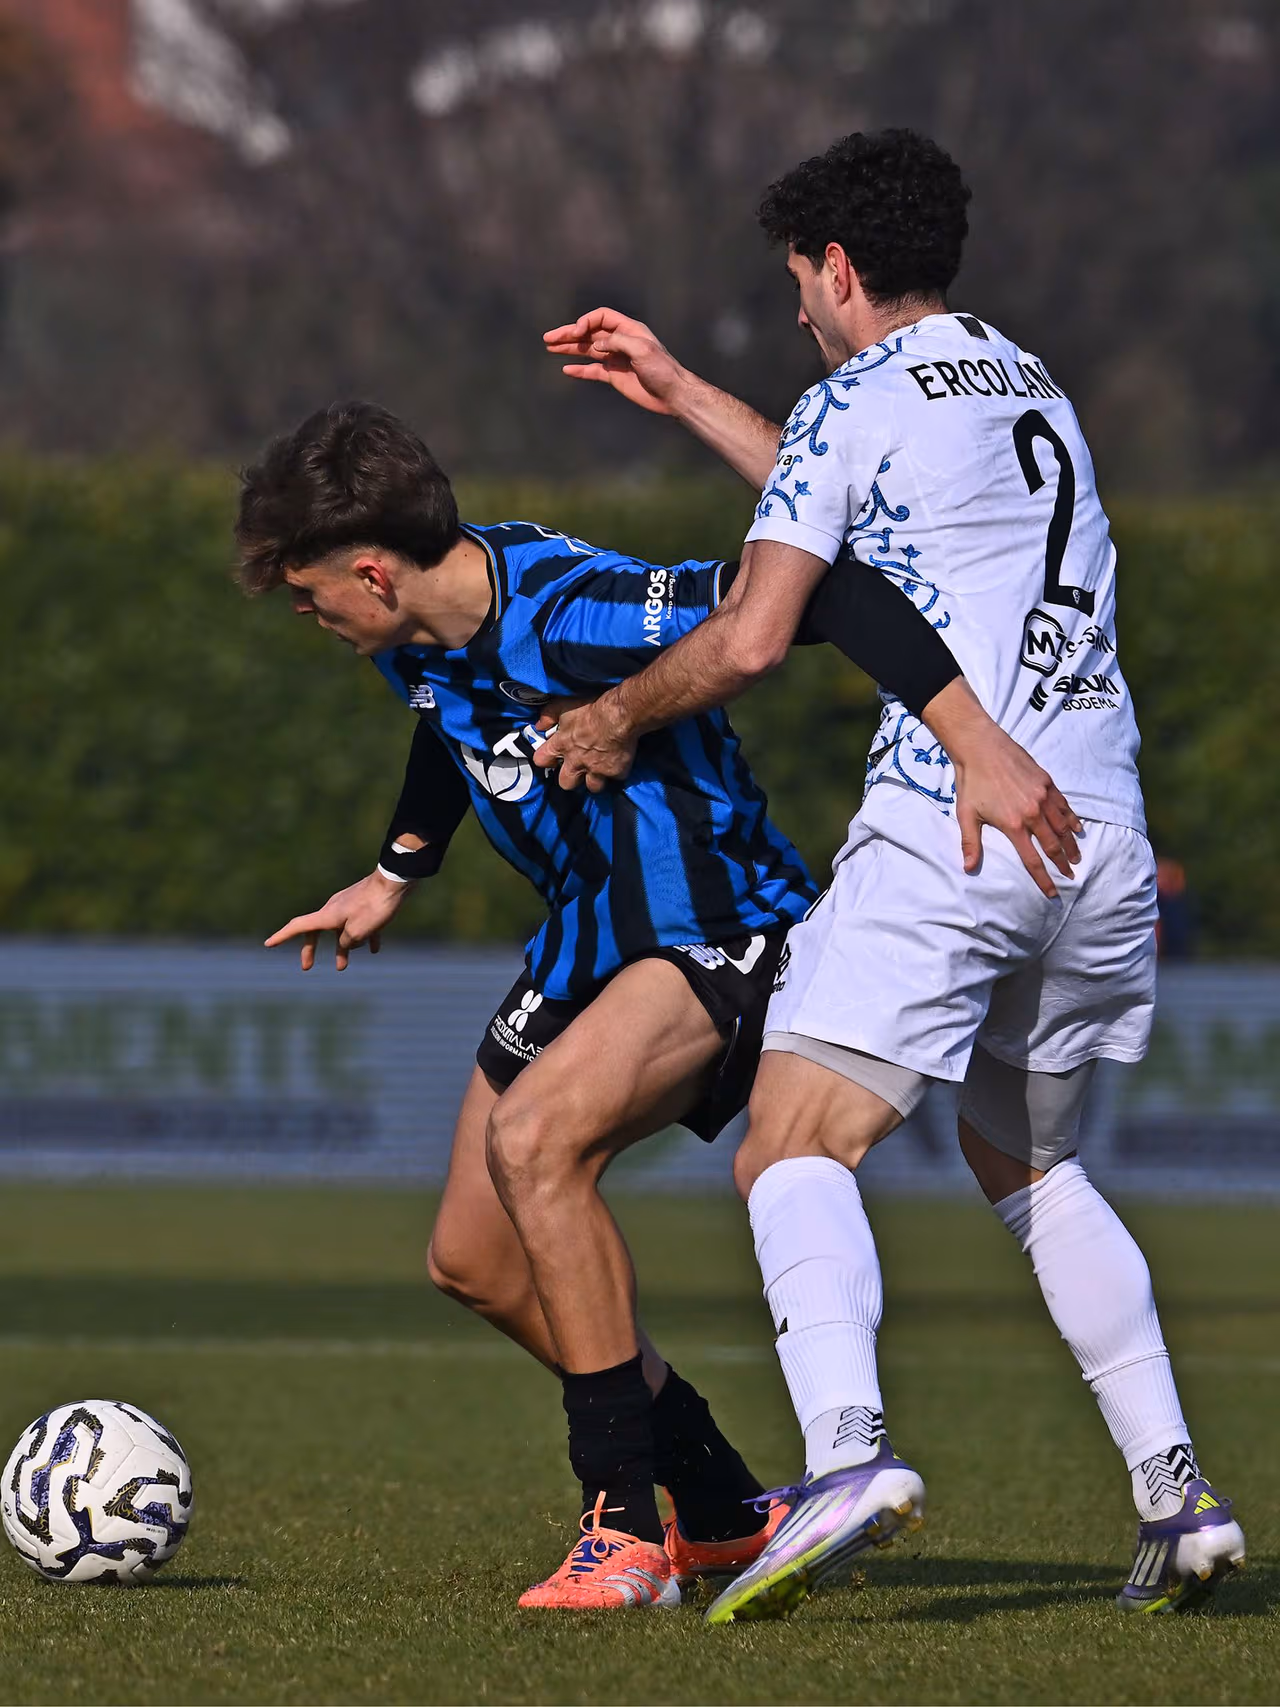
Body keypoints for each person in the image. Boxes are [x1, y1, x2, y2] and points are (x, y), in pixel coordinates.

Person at [539, 128, 1244, 1620]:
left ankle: (846, 1457)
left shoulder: (854, 399)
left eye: (799, 279)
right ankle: (1176, 1491)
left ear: (839, 268)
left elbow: (757, 631)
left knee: (787, 1146)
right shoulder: (1025, 378)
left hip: (957, 819)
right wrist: (681, 392)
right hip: (1097, 833)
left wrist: (609, 718)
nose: (797, 305)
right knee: (1033, 1165)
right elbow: (861, 519)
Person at [235, 398, 1080, 1612]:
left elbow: (817, 597)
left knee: (536, 1142)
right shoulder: (416, 635)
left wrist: (972, 744)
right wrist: (395, 871)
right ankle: (723, 1508)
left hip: (715, 926)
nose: (307, 616)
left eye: (311, 595)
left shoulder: (568, 607)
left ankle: (623, 1528)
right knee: (472, 1258)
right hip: (587, 937)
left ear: (372, 572)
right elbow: (448, 725)